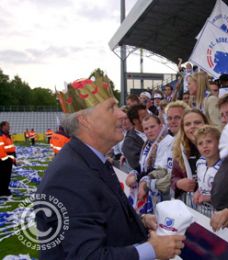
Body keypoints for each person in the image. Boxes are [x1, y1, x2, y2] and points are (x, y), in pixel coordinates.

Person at [36, 75, 185, 259]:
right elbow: (87, 256)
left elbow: (100, 215)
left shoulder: (88, 160)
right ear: (85, 120)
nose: (122, 114)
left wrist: (140, 222)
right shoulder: (69, 176)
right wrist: (152, 250)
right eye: (111, 108)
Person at [171, 109, 208, 206]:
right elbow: (173, 177)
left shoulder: (218, 147)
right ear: (183, 129)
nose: (192, 126)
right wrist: (178, 183)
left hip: (212, 207)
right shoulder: (180, 150)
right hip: (191, 207)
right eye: (187, 124)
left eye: (197, 122)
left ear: (206, 124)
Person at [192, 125, 222, 217]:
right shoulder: (200, 163)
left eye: (209, 142)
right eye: (200, 143)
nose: (205, 146)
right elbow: (201, 183)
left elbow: (227, 194)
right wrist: (198, 191)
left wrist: (208, 198)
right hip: (201, 211)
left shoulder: (224, 168)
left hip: (218, 214)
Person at [122, 104, 148, 173]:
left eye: (148, 115)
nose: (149, 118)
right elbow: (137, 165)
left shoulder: (158, 131)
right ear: (135, 121)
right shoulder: (129, 141)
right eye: (145, 117)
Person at [0, 121, 16, 196]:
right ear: (3, 126)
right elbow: (1, 149)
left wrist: (13, 159)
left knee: (7, 176)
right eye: (8, 125)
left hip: (8, 159)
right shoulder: (1, 136)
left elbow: (11, 148)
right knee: (3, 176)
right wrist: (6, 159)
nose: (9, 127)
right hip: (4, 160)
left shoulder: (7, 135)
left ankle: (5, 190)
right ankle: (2, 191)